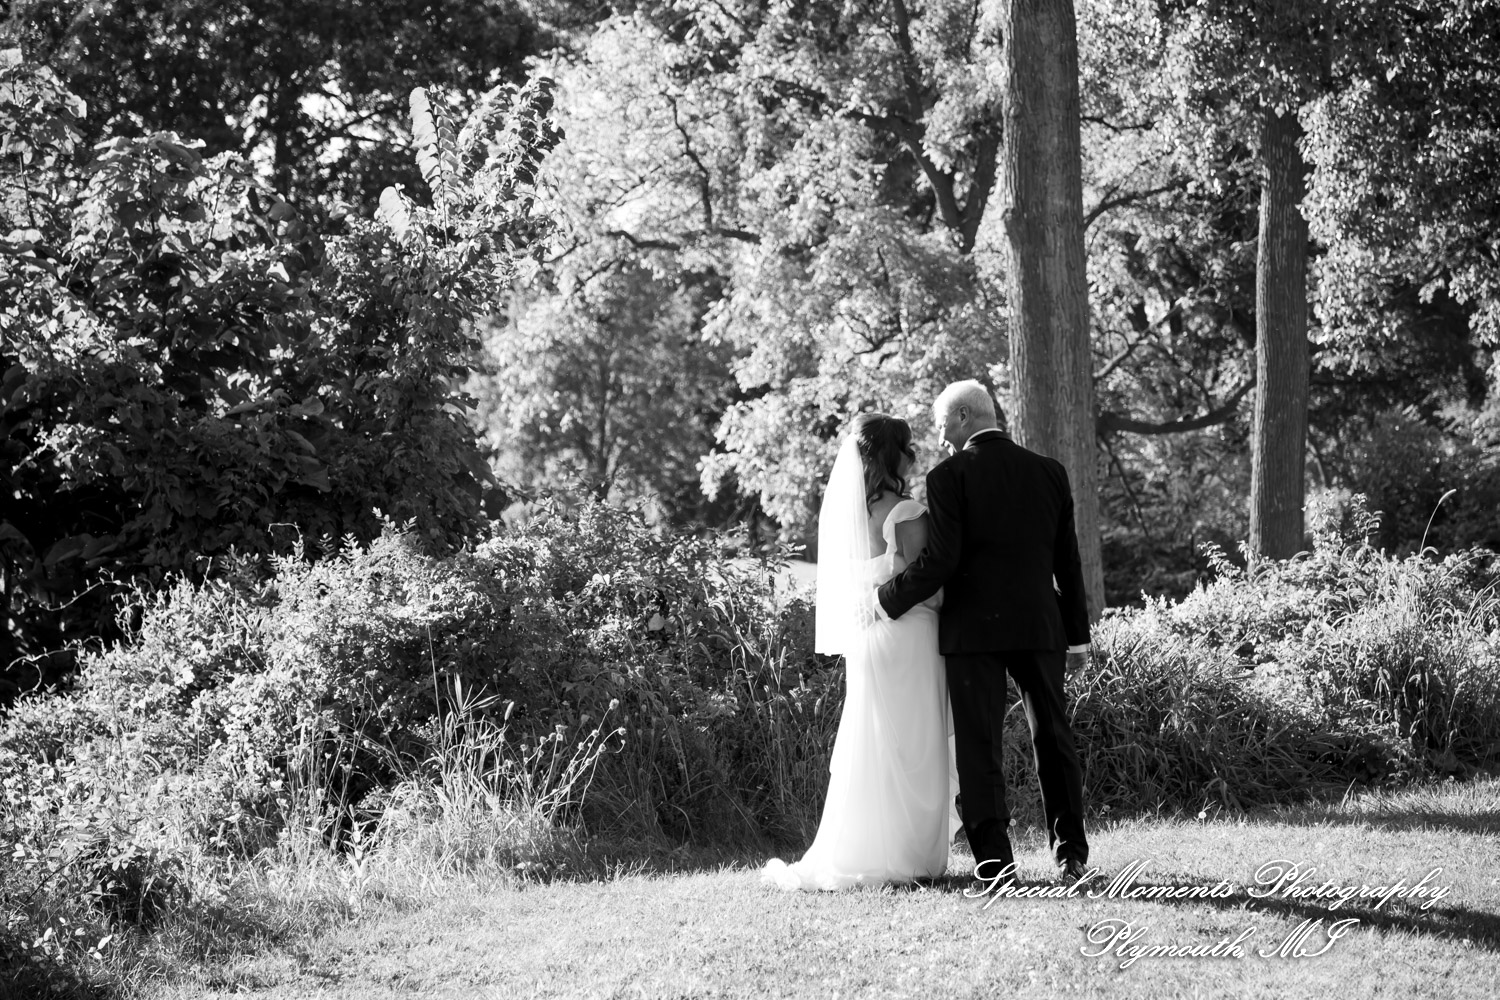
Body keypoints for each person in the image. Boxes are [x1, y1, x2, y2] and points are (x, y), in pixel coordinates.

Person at [875, 380, 1093, 884]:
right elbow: (1069, 562)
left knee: (979, 746)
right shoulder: (1050, 472)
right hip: (1041, 625)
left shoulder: (949, 477)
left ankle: (996, 863)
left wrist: (886, 598)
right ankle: (1071, 855)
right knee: (1053, 739)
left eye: (943, 424)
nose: (941, 436)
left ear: (966, 417)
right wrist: (1077, 636)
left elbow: (942, 560)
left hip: (973, 629)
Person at [761, 413, 953, 890]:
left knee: (874, 741)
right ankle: (911, 855)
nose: (914, 457)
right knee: (914, 742)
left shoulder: (853, 515)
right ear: (894, 455)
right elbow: (931, 591)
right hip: (910, 639)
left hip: (870, 643)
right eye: (909, 448)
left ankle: (869, 849)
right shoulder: (905, 513)